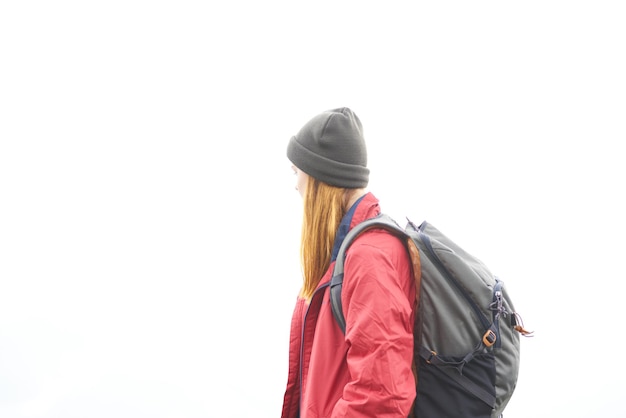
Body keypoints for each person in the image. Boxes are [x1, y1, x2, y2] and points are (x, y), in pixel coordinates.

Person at [281, 107, 417, 418]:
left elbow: (382, 397)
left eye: (296, 172)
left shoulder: (369, 257)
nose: (296, 186)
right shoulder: (349, 255)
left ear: (320, 179)